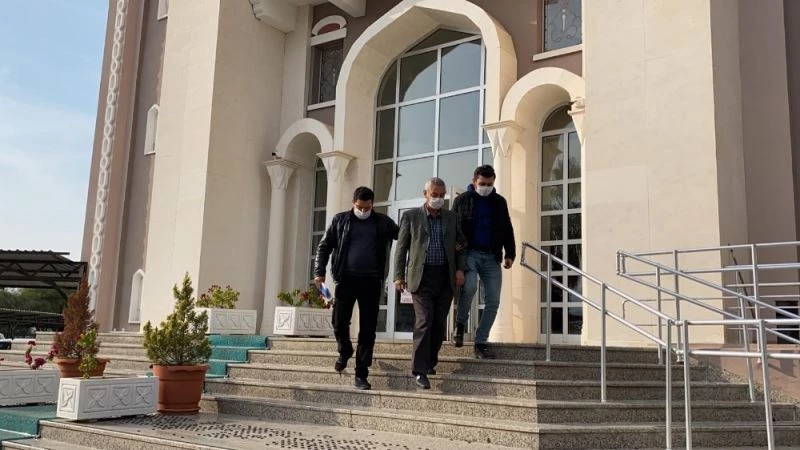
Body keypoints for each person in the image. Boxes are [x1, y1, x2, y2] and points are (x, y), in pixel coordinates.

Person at [314, 186, 399, 390]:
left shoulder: (383, 222)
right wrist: (319, 272)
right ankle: (345, 350)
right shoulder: (340, 220)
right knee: (339, 322)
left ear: (372, 205)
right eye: (360, 207)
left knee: (368, 329)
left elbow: (404, 236)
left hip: (372, 281)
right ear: (353, 203)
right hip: (346, 280)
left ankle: (361, 373)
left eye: (367, 207)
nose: (363, 211)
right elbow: (324, 246)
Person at [394, 177, 466, 389]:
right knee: (424, 321)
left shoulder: (451, 217)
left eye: (441, 195)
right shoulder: (411, 217)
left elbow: (462, 244)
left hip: (445, 277)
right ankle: (419, 370)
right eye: (434, 195)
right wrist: (398, 275)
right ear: (425, 194)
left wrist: (460, 268)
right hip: (421, 278)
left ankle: (430, 361)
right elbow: (401, 248)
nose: (438, 199)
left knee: (438, 324)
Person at [452, 165, 516, 359]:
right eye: (482, 183)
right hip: (469, 254)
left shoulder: (499, 202)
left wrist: (510, 253)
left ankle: (480, 342)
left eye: (489, 184)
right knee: (470, 286)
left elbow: (507, 228)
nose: (486, 187)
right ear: (474, 182)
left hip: (492, 256)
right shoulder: (462, 200)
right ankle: (460, 325)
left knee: (493, 300)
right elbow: (453, 227)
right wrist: (455, 252)